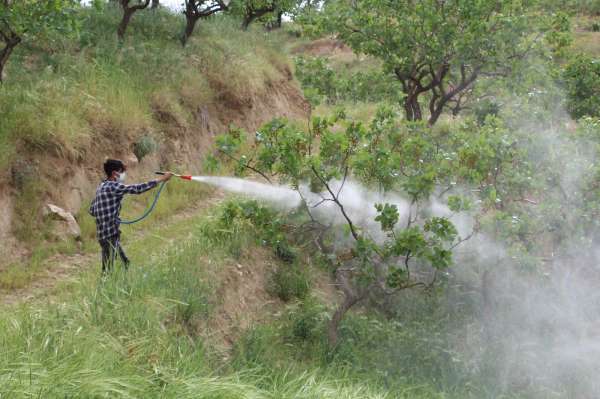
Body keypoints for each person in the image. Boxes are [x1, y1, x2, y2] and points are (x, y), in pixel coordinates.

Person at [89, 159, 172, 275]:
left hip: (105, 234)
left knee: (125, 263)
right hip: (109, 236)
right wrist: (162, 179)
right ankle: (106, 291)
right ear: (114, 173)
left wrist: (109, 215)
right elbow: (136, 189)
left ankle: (129, 285)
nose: (123, 174)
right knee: (107, 271)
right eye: (121, 171)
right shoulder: (113, 187)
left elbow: (92, 210)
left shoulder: (101, 187)